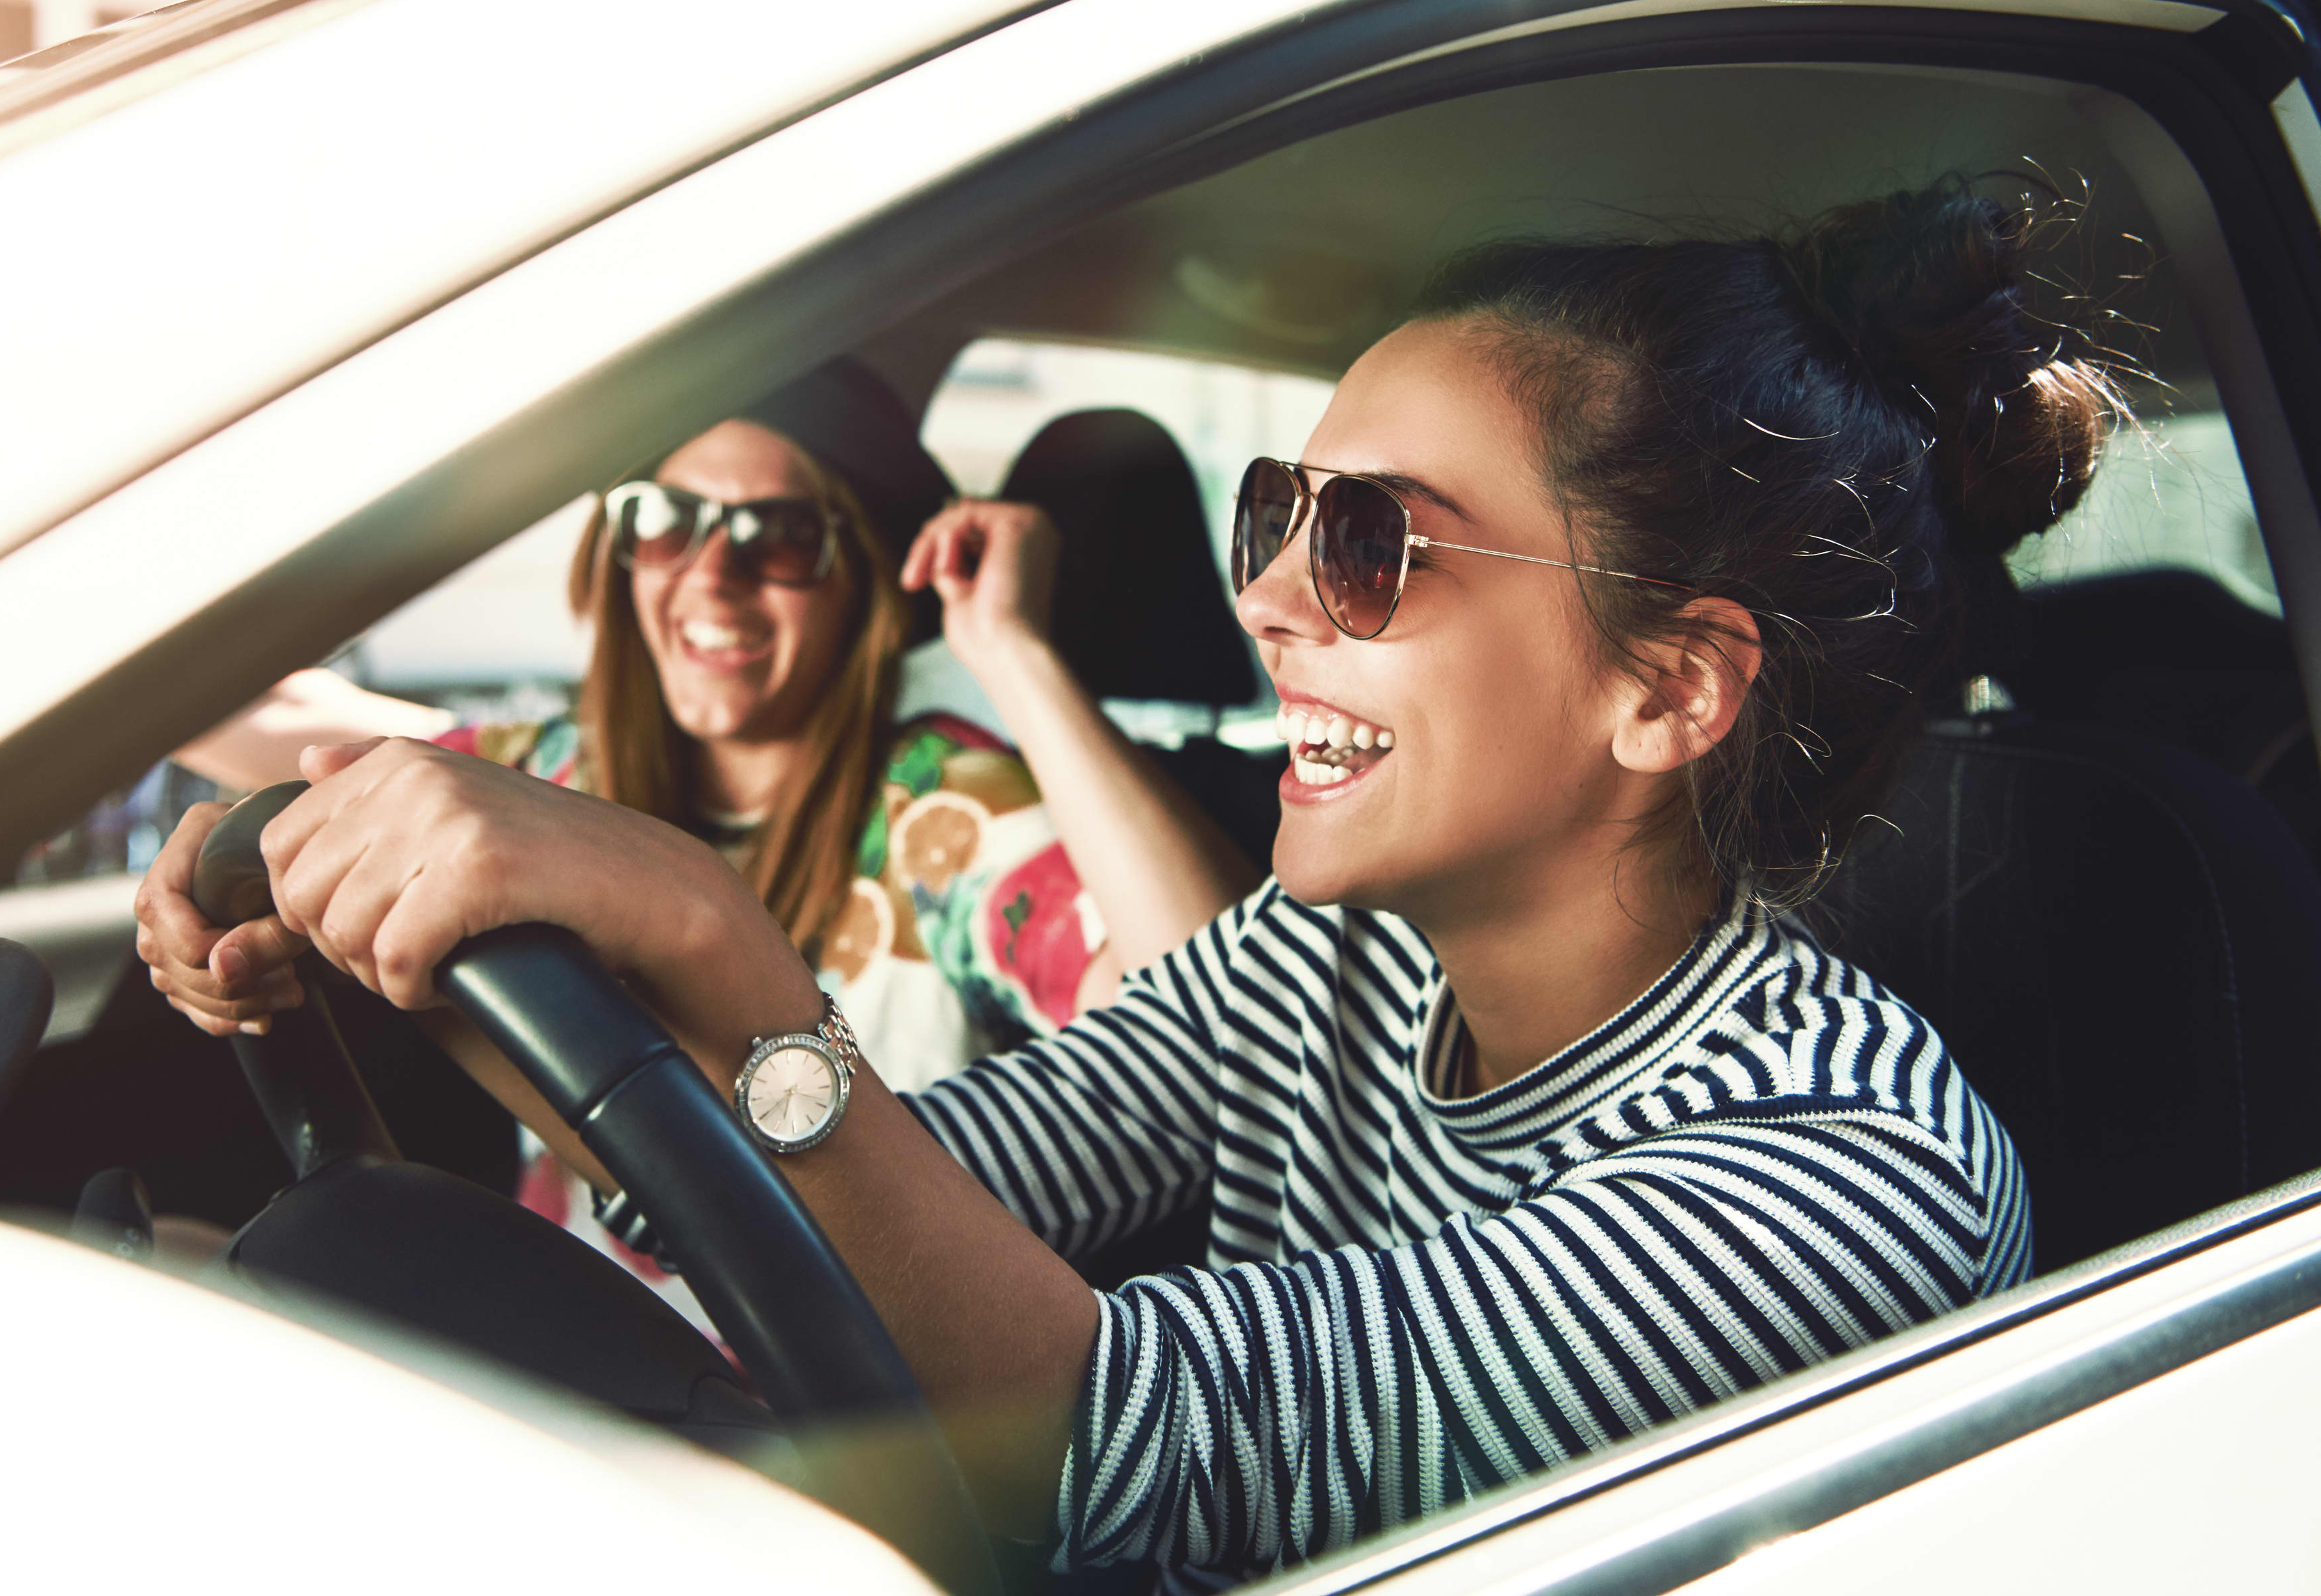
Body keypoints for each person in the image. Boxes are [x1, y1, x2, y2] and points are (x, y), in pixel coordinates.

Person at [143, 181, 2097, 1584]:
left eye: (1370, 545)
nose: (1269, 599)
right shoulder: (1322, 961)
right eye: (1277, 516)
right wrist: (398, 924)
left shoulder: (1845, 1171)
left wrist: (711, 936)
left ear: (1665, 686)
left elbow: (1131, 1449)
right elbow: (847, 1193)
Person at [161, 360, 1257, 1298]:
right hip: (573, 1338)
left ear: (860, 579)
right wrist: (219, 871)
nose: (713, 575)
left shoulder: (940, 807)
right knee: (172, 1261)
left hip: (820, 1388)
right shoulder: (545, 780)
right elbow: (248, 721)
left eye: (780, 535)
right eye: (664, 522)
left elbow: (1224, 1021)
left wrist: (1013, 649)